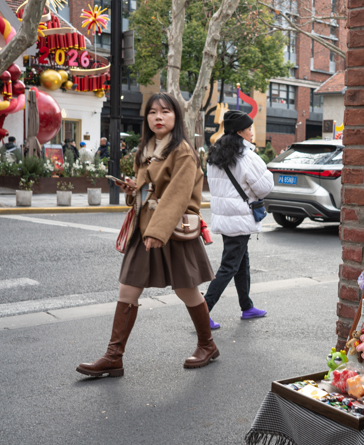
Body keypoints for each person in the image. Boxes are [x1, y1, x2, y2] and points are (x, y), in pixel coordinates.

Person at [77, 93, 216, 376]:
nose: (158, 117)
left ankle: (207, 345)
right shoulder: (146, 149)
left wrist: (157, 231)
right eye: (152, 112)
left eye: (165, 111)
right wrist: (134, 190)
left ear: (176, 116)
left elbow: (177, 196)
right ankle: (113, 356)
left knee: (186, 290)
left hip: (172, 231)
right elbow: (149, 191)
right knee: (128, 289)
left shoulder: (183, 151)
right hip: (146, 228)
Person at [203, 111, 273, 329]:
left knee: (241, 262)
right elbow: (265, 187)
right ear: (240, 132)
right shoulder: (246, 156)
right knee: (229, 266)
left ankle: (246, 306)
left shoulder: (215, 154)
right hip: (240, 217)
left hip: (226, 217)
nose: (252, 132)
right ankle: (202, 312)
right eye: (249, 128)